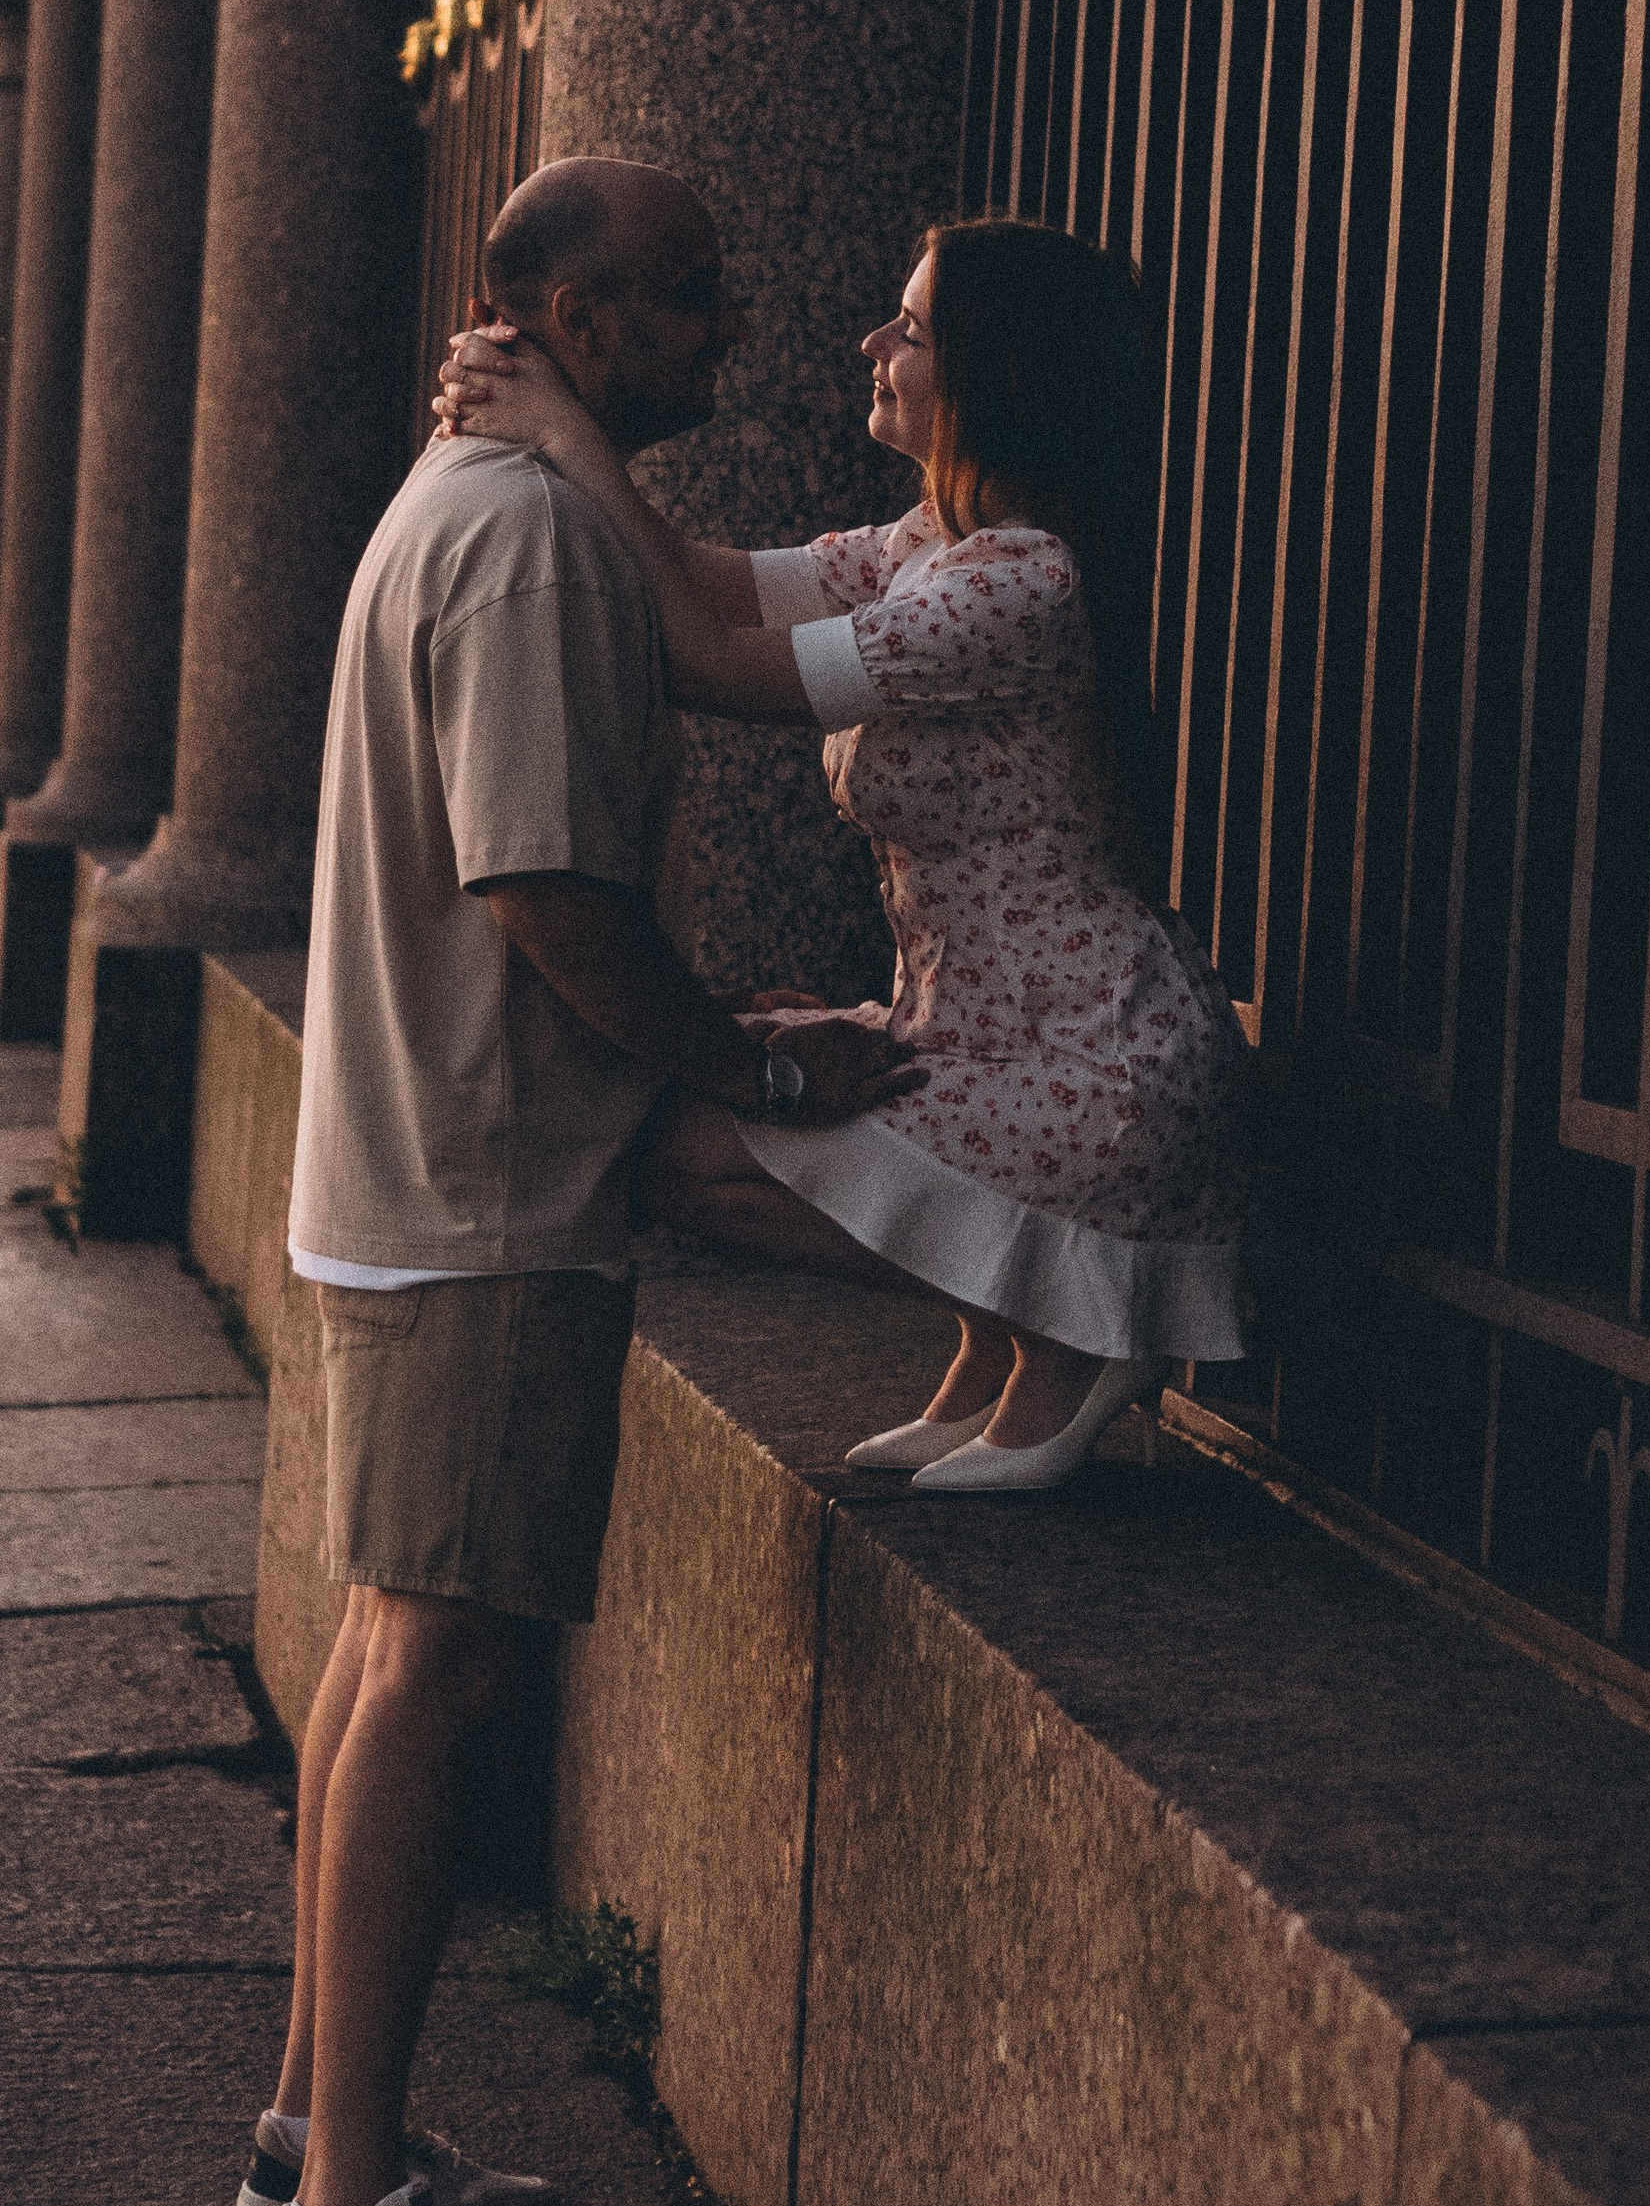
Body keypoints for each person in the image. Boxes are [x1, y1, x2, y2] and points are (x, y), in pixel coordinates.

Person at [244, 158, 920, 2206]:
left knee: (379, 1652)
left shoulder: (475, 496)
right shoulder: (528, 536)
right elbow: (542, 885)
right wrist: (734, 1057)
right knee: (430, 1670)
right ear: (552, 310)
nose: (726, 332)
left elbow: (715, 642)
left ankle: (309, 2138)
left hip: (408, 1164)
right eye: (681, 301)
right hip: (485, 1186)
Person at [439, 213, 1249, 1491]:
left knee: (690, 1156)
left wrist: (563, 437)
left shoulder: (1019, 582)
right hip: (986, 1032)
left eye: (913, 330)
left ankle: (1069, 1322)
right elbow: (704, 588)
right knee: (703, 1103)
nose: (873, 342)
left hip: (1096, 1064)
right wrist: (567, 437)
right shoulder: (929, 548)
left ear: (997, 374)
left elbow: (709, 664)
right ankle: (1002, 1328)